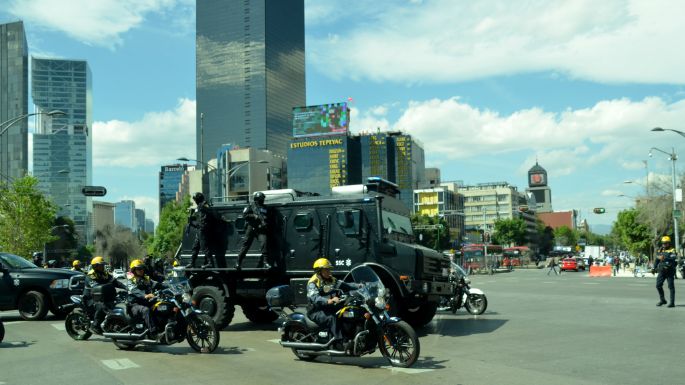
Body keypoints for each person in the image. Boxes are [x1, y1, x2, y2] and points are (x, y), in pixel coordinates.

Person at [306, 258, 358, 350]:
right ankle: (341, 342)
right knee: (332, 318)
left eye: (329, 269)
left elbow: (346, 285)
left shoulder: (332, 280)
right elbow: (315, 298)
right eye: (326, 269)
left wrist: (360, 286)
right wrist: (328, 301)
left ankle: (350, 336)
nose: (328, 271)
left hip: (328, 307)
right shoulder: (313, 283)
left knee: (347, 312)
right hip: (316, 310)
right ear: (319, 271)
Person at [85, 256, 126, 333]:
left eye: (103, 265)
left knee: (118, 303)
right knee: (102, 306)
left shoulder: (105, 274)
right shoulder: (90, 276)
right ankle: (95, 325)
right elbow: (97, 287)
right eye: (100, 265)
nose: (102, 267)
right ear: (95, 266)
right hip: (91, 298)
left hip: (103, 297)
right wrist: (109, 286)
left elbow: (115, 282)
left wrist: (126, 287)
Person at [127, 259, 167, 338]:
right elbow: (134, 290)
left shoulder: (145, 278)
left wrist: (169, 286)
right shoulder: (131, 280)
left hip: (145, 302)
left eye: (142, 268)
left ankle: (161, 327)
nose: (141, 270)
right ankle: (154, 333)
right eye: (139, 269)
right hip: (134, 305)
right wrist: (145, 295)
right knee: (146, 310)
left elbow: (156, 284)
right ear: (134, 270)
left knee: (160, 306)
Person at [235, 191, 270, 269]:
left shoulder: (265, 207)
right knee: (246, 245)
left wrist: (265, 219)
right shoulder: (251, 206)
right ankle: (238, 262)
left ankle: (266, 262)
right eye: (260, 199)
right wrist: (254, 216)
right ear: (256, 199)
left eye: (262, 199)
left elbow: (268, 216)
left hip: (260, 228)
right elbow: (244, 215)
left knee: (264, 244)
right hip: (251, 227)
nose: (262, 200)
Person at [187, 192, 215, 269]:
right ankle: (191, 262)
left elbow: (209, 212)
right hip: (199, 229)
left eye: (195, 199)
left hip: (203, 229)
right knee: (195, 247)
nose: (195, 201)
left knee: (204, 246)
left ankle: (210, 263)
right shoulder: (199, 206)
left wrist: (200, 208)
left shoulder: (204, 204)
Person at [653, 236, 677, 307]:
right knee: (658, 285)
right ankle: (662, 300)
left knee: (671, 286)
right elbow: (657, 259)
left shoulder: (672, 250)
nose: (664, 245)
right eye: (663, 243)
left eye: (666, 243)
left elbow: (673, 258)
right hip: (662, 271)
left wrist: (664, 257)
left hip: (670, 271)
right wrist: (654, 268)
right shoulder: (660, 250)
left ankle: (672, 303)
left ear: (669, 243)